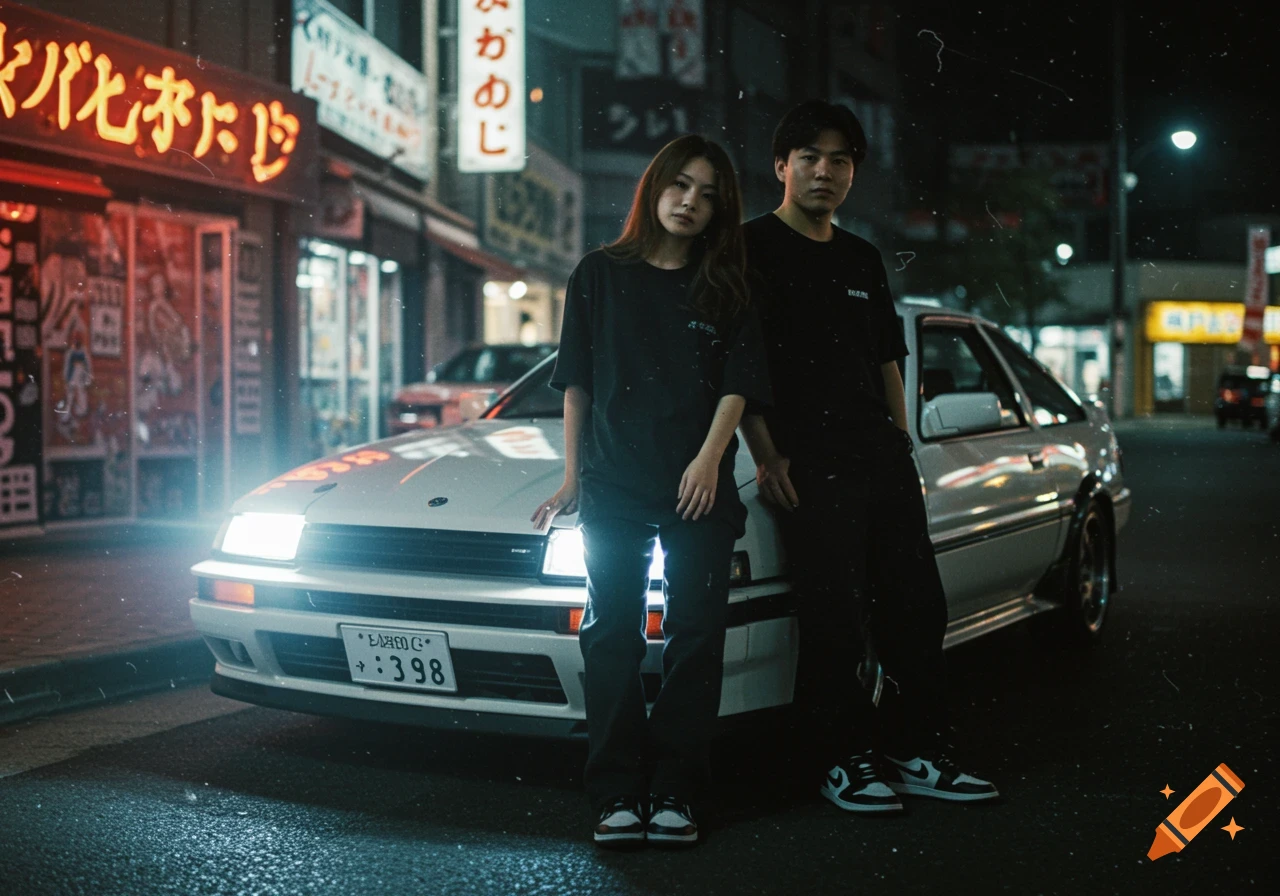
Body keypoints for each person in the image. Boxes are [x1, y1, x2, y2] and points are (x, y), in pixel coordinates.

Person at [738, 100, 999, 814]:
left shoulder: (861, 257)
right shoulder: (749, 248)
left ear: (853, 173)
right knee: (834, 616)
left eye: (841, 160)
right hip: (805, 459)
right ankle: (841, 758)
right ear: (781, 167)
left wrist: (901, 439)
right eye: (811, 158)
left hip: (878, 457)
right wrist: (766, 455)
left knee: (918, 609)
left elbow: (888, 355)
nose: (826, 172)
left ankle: (916, 751)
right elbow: (740, 366)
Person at [531, 134, 770, 847]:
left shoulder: (727, 283)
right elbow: (578, 384)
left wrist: (708, 459)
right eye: (681, 186)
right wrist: (573, 475)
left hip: (699, 485)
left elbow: (739, 384)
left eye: (708, 194)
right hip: (613, 483)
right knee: (610, 635)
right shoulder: (597, 273)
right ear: (654, 188)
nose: (691, 202)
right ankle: (614, 792)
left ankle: (676, 791)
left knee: (695, 637)